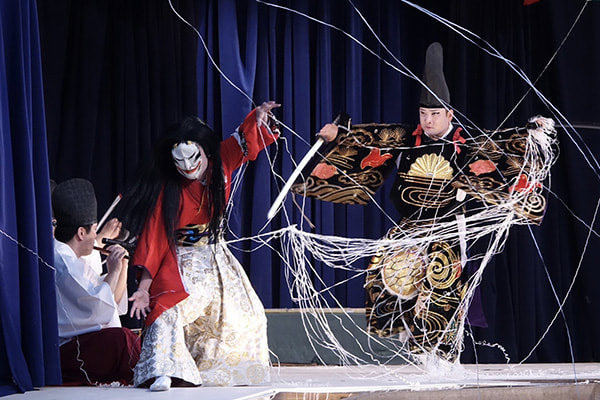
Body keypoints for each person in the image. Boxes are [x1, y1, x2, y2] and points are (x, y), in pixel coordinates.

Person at [291, 42, 556, 363]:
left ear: (449, 114)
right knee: (385, 268)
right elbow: (369, 138)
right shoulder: (407, 138)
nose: (428, 121)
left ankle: (441, 359)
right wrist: (338, 135)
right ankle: (407, 345)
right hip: (409, 229)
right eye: (423, 114)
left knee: (441, 283)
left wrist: (533, 134)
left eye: (434, 115)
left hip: (446, 231)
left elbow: (505, 147)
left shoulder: (467, 143)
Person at [115, 101, 282, 391]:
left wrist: (256, 118)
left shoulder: (222, 161)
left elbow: (244, 139)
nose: (188, 167)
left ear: (205, 151)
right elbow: (155, 240)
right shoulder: (168, 191)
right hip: (180, 260)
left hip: (217, 257)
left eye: (194, 159)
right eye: (179, 162)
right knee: (167, 309)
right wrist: (143, 289)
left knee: (246, 313)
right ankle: (164, 371)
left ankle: (225, 372)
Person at [52, 178, 141, 385]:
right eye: (94, 230)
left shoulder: (72, 258)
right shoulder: (63, 261)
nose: (96, 237)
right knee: (121, 340)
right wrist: (113, 270)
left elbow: (111, 302)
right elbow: (100, 307)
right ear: (81, 233)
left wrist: (123, 266)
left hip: (79, 345)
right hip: (66, 350)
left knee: (123, 338)